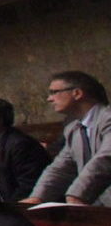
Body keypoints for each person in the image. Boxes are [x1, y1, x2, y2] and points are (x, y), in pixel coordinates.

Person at [31, 71, 111, 206]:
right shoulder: (73, 128)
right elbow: (61, 168)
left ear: (77, 93)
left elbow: (106, 158)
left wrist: (76, 195)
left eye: (54, 92)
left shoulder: (108, 118)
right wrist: (37, 198)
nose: (49, 99)